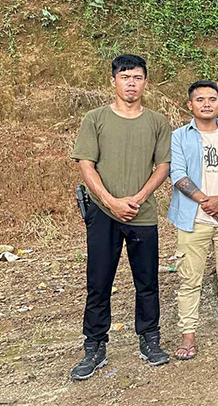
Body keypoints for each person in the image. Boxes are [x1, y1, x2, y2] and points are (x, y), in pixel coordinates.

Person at [70, 54, 172, 380]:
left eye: (137, 77)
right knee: (99, 282)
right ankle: (94, 346)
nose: (131, 83)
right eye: (125, 77)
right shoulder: (95, 119)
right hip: (103, 214)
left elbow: (163, 166)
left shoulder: (157, 121)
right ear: (113, 81)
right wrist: (110, 201)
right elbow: (86, 164)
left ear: (145, 82)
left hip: (142, 214)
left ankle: (150, 338)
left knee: (147, 281)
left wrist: (138, 198)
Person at [168, 80, 218, 359]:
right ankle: (188, 336)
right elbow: (177, 174)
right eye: (200, 99)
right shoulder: (179, 136)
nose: (206, 104)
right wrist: (208, 202)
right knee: (190, 279)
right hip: (193, 220)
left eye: (212, 99)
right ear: (190, 104)